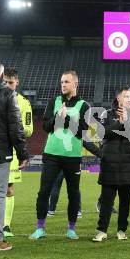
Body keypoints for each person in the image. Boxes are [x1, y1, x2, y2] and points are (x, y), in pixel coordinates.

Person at [29, 70, 99, 240]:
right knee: (44, 191)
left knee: (73, 193)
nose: (63, 85)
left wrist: (64, 119)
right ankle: (40, 228)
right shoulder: (54, 101)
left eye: (66, 82)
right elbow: (46, 126)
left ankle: (71, 229)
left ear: (76, 84)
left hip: (73, 156)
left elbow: (82, 131)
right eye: (62, 82)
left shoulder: (84, 105)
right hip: (51, 154)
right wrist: (55, 118)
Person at [92, 86, 130, 242]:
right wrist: (118, 125)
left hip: (129, 165)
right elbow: (101, 133)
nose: (129, 99)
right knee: (107, 201)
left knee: (125, 202)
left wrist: (127, 121)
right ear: (118, 99)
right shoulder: (106, 114)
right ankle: (102, 231)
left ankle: (121, 230)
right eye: (126, 96)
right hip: (110, 164)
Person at [0, 64, 29, 251]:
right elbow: (16, 127)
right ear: (1, 74)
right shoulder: (8, 94)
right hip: (1, 153)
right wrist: (23, 153)